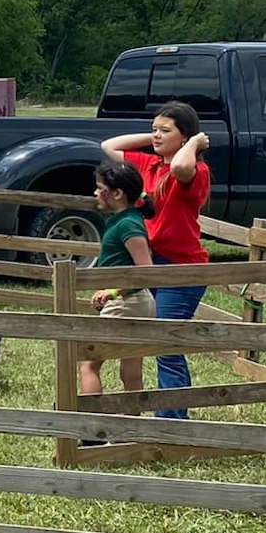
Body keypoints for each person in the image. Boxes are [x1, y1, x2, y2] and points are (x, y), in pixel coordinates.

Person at [100, 100, 212, 418]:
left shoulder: (196, 171)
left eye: (165, 130)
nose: (157, 136)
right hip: (150, 262)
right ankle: (142, 414)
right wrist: (153, 138)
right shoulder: (148, 165)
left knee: (166, 344)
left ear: (186, 136)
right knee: (143, 341)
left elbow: (180, 168)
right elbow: (109, 145)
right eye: (154, 130)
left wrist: (192, 143)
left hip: (182, 268)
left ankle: (172, 422)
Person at [77, 160, 155, 424]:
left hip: (127, 302)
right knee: (131, 370)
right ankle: (131, 426)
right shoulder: (125, 219)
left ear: (118, 194)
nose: (96, 194)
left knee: (88, 363)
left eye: (100, 189)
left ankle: (92, 428)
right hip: (136, 302)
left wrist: (112, 291)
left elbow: (145, 271)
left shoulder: (128, 225)